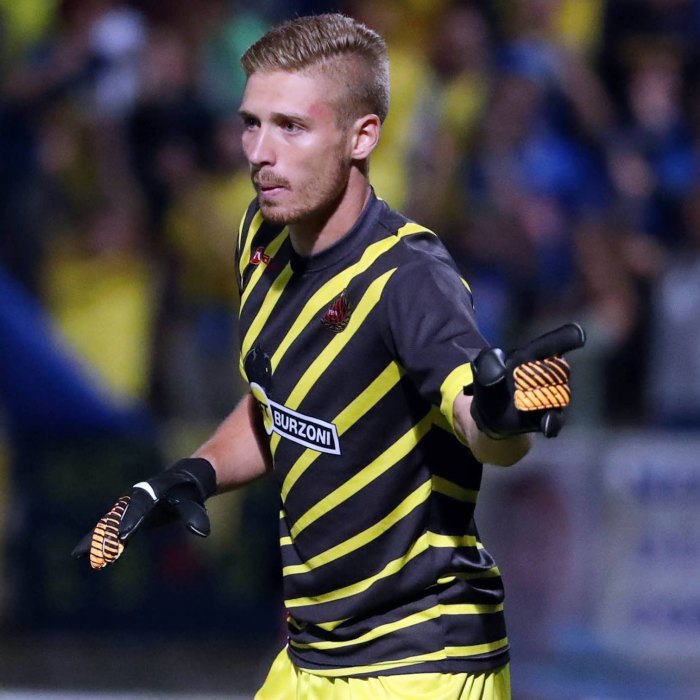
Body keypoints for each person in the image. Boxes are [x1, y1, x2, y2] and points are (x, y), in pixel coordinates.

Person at [73, 13, 585, 700]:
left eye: (291, 127)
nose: (259, 152)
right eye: (251, 123)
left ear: (361, 136)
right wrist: (195, 472)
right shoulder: (260, 237)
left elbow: (480, 421)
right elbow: (281, 402)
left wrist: (502, 416)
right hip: (310, 657)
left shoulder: (407, 277)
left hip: (422, 666)